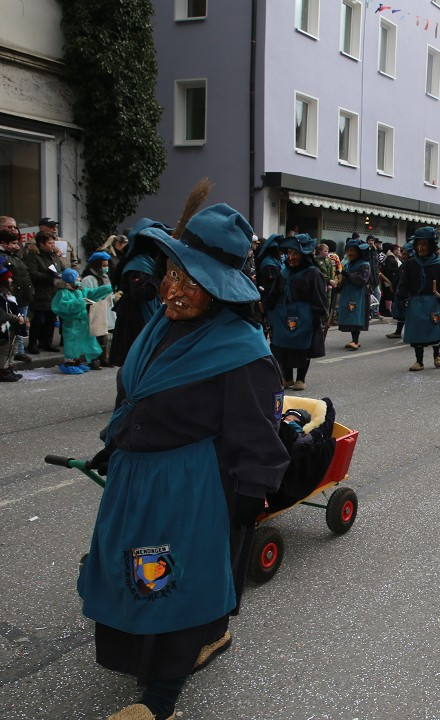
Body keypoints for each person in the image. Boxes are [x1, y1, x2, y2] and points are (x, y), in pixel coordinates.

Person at [80, 203, 290, 720]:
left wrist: (247, 498)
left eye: (192, 282)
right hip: (137, 480)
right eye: (173, 273)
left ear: (219, 290)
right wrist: (115, 442)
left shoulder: (241, 351)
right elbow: (135, 397)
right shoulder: (158, 328)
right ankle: (187, 647)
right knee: (132, 576)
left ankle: (160, 701)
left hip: (187, 488)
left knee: (167, 582)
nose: (173, 290)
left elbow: (258, 433)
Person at [267, 234, 327, 391]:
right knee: (282, 346)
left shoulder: (313, 273)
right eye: (289, 253)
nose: (291, 257)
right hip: (283, 314)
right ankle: (287, 378)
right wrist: (268, 308)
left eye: (295, 254)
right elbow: (273, 293)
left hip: (304, 315)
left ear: (304, 255)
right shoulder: (283, 272)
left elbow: (319, 295)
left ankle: (301, 378)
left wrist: (318, 316)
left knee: (302, 346)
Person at [109, 226, 164, 367]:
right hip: (135, 318)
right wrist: (156, 279)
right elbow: (141, 293)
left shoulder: (146, 262)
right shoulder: (138, 264)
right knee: (136, 363)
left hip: (140, 315)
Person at [398, 227, 440, 370]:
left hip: (433, 302)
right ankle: (419, 361)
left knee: (434, 329)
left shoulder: (439, 265)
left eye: (424, 244)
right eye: (418, 244)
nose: (421, 248)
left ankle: (437, 354)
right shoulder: (410, 264)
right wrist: (401, 296)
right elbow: (404, 283)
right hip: (416, 301)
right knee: (417, 332)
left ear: (431, 246)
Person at [24, 230, 64, 354]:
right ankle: (32, 343)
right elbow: (33, 274)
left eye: (53, 243)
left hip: (53, 293)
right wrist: (50, 277)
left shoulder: (54, 256)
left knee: (51, 320)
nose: (53, 245)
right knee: (39, 320)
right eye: (50, 243)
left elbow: (61, 269)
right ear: (41, 244)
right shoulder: (33, 257)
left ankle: (47, 342)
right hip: (40, 293)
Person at [0, 229, 33, 362]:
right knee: (12, 327)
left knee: (20, 324)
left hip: (22, 296)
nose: (16, 246)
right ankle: (10, 360)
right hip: (11, 296)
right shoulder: (2, 257)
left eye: (17, 243)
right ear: (3, 243)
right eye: (13, 243)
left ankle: (18, 352)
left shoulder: (15, 256)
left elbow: (25, 275)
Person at [81, 251, 117, 369]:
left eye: (107, 265)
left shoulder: (106, 278)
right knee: (94, 336)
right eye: (103, 265)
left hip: (106, 309)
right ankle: (93, 359)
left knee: (104, 335)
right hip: (94, 310)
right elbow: (87, 296)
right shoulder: (88, 279)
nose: (106, 268)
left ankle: (103, 358)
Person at [337, 238, 372, 351]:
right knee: (351, 316)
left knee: (356, 316)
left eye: (352, 250)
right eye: (348, 250)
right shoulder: (349, 264)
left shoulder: (364, 265)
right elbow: (345, 278)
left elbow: (363, 280)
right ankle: (354, 339)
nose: (350, 253)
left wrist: (349, 275)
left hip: (359, 295)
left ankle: (355, 341)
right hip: (348, 293)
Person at [0, 258, 28, 381]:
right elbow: (3, 314)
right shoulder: (1, 297)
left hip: (14, 325)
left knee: (12, 348)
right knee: (4, 350)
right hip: (5, 326)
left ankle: (9, 368)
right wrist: (17, 318)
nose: (11, 280)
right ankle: (3, 371)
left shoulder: (8, 294)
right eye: (9, 278)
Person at [381, 243, 404, 337]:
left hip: (400, 286)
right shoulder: (390, 259)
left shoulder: (398, 259)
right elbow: (388, 270)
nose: (400, 252)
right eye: (398, 250)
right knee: (389, 296)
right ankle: (388, 310)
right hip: (392, 282)